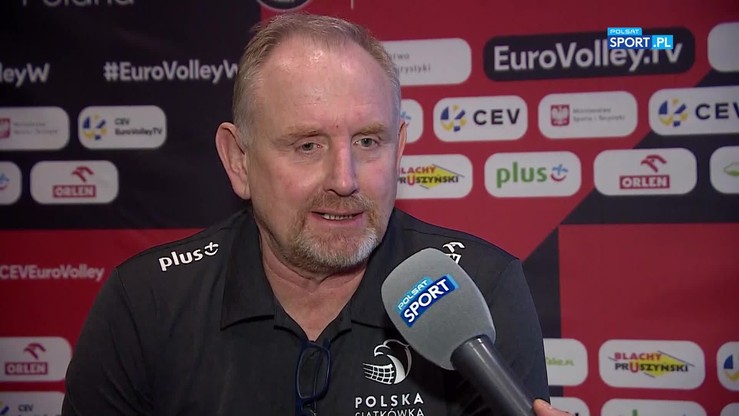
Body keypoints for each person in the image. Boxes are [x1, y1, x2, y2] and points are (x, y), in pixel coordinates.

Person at [62, 13, 569, 416]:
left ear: (400, 149)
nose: (344, 180)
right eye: (307, 145)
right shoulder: (147, 301)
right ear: (238, 160)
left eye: (368, 141)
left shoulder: (480, 287)